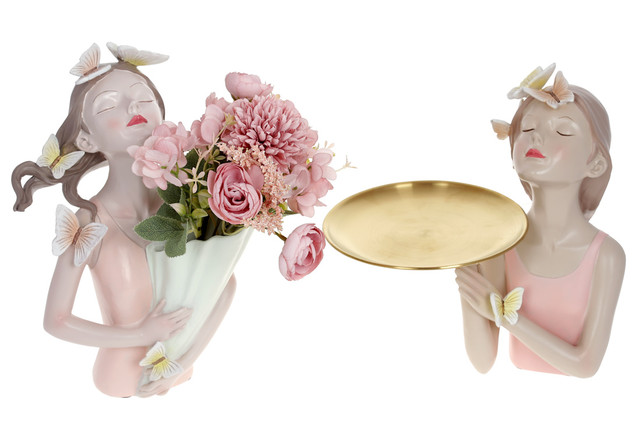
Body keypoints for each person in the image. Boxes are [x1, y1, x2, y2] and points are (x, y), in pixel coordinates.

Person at [11, 43, 235, 397]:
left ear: (161, 112)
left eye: (144, 98)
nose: (133, 107)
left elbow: (225, 285)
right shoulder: (89, 222)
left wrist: (183, 362)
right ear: (87, 139)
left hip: (180, 373)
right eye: (109, 105)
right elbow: (56, 321)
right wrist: (140, 334)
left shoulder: (189, 203)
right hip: (118, 378)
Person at [455, 66, 625, 377]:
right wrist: (466, 272)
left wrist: (503, 314)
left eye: (563, 131)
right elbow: (483, 361)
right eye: (528, 128)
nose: (536, 136)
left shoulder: (606, 255)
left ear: (596, 163)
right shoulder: (500, 243)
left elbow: (585, 365)